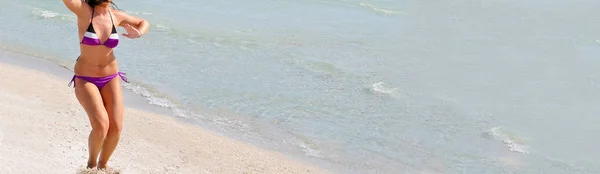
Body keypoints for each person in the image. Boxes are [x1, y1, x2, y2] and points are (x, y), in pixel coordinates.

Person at [61, 0, 150, 170]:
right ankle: (91, 166)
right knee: (101, 125)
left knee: (116, 127)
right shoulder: (84, 11)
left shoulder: (116, 16)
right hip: (86, 78)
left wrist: (138, 33)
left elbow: (143, 22)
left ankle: (103, 166)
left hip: (111, 77)